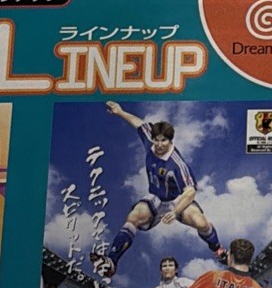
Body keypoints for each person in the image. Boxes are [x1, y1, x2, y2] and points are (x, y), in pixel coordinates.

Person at [94, 101, 225, 267]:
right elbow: (138, 123)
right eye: (156, 140)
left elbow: (190, 192)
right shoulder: (150, 141)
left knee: (201, 222)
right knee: (133, 217)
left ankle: (218, 249)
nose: (159, 145)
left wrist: (175, 212)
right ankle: (111, 262)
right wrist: (120, 112)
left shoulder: (177, 165)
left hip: (177, 200)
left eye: (163, 141)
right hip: (156, 197)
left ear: (170, 141)